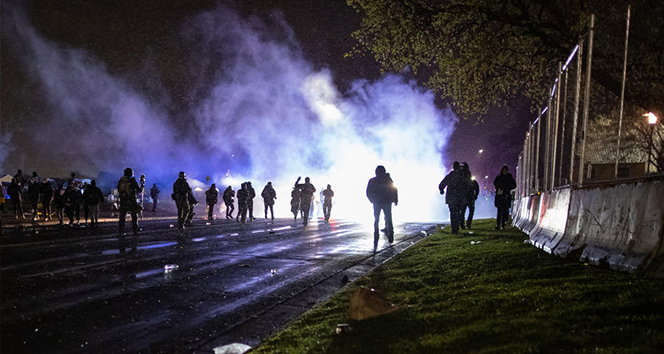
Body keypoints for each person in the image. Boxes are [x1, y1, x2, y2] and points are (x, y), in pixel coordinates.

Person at [366, 166, 398, 249]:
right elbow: (394, 189)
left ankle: (376, 234)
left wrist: (372, 200)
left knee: (377, 219)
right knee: (388, 219)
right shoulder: (387, 180)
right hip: (386, 202)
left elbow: (368, 192)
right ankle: (390, 234)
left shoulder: (373, 180)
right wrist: (395, 199)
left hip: (378, 203)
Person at [438, 161, 464, 234]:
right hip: (458, 198)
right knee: (458, 213)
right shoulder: (461, 176)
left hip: (451, 198)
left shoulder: (450, 176)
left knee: (453, 213)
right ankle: (456, 227)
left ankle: (454, 228)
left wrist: (441, 190)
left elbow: (441, 184)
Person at [118, 167, 143, 237]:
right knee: (134, 215)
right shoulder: (132, 180)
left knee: (122, 216)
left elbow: (119, 190)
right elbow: (139, 190)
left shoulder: (121, 180)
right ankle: (135, 229)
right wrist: (142, 185)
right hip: (131, 200)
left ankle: (121, 230)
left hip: (123, 201)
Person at [493, 165, 516, 230]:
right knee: (500, 211)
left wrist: (506, 188)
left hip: (505, 196)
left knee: (504, 212)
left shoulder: (509, 178)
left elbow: (514, 185)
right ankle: (498, 224)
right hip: (500, 196)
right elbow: (495, 183)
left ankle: (502, 224)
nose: (504, 172)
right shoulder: (499, 177)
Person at [458, 163, 473, 230]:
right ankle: (467, 224)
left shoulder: (461, 175)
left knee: (463, 211)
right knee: (468, 211)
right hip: (468, 196)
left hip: (465, 196)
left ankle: (462, 224)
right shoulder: (467, 175)